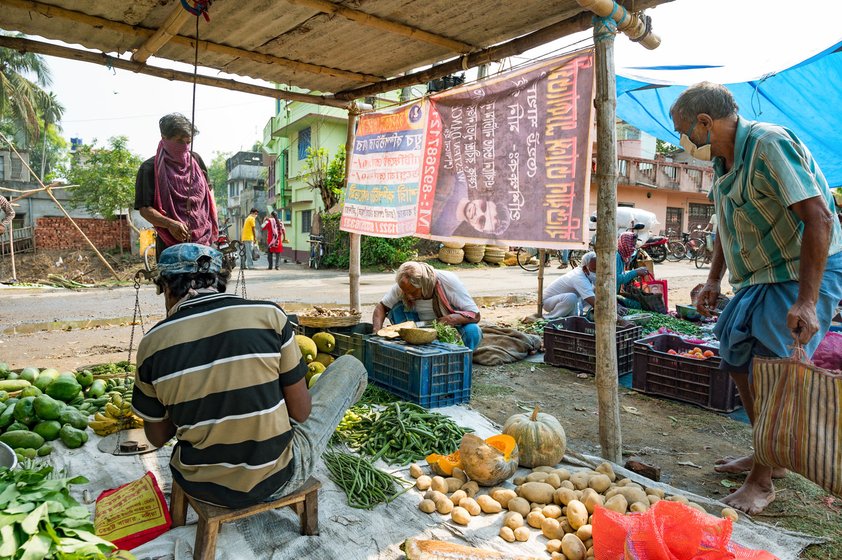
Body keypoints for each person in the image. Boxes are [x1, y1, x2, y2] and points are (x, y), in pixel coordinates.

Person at [673, 82, 842, 514]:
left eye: (683, 130)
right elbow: (725, 227)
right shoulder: (722, 162)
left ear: (705, 122)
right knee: (734, 353)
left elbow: (819, 217)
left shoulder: (769, 144)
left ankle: (763, 481)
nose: (684, 141)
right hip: (760, 274)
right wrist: (713, 280)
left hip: (802, 267)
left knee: (773, 366)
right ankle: (768, 452)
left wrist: (806, 301)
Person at [131, 243, 367, 508]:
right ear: (220, 280)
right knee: (351, 367)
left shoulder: (151, 345)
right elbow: (301, 413)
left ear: (166, 287)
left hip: (198, 484)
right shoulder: (270, 316)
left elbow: (157, 437)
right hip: (276, 479)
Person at [134, 113, 217, 259]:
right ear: (164, 138)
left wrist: (213, 222)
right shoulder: (149, 169)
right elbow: (145, 209)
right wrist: (170, 224)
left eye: (188, 141)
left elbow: (209, 195)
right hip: (170, 246)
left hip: (205, 241)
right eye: (179, 141)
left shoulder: (196, 160)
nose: (185, 147)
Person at [372, 261, 483, 350]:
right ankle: (411, 351)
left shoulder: (448, 280)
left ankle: (460, 358)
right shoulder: (403, 285)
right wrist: (376, 333)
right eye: (405, 292)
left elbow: (475, 315)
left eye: (413, 292)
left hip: (448, 328)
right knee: (396, 308)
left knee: (473, 331)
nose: (409, 296)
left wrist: (451, 319)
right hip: (415, 328)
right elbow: (381, 307)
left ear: (423, 285)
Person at [431, 174, 511, 238]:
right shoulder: (459, 179)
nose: (477, 213)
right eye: (483, 207)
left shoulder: (443, 232)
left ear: (479, 229)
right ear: (483, 199)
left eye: (481, 221)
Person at [542, 251, 596, 320]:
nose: (596, 272)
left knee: (595, 291)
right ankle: (550, 317)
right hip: (549, 302)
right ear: (585, 268)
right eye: (594, 269)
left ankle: (574, 315)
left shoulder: (587, 274)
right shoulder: (579, 277)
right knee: (571, 297)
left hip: (564, 299)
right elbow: (593, 302)